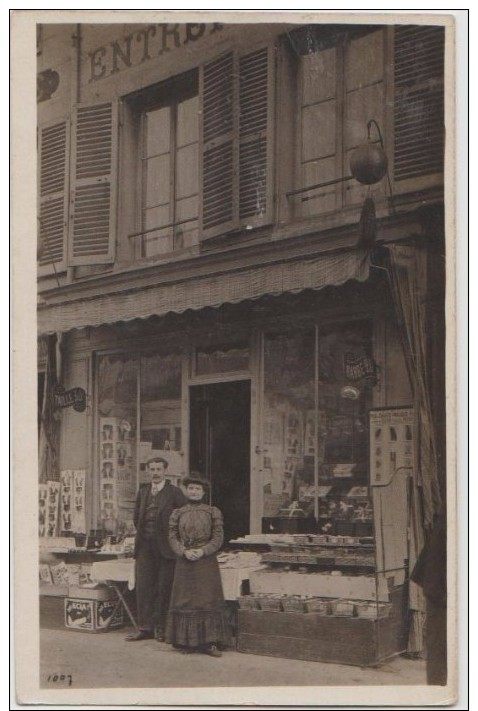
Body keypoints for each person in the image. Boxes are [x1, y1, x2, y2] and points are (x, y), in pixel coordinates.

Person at [166, 473, 231, 657]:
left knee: (207, 599)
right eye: (191, 488)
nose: (194, 491)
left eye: (197, 489)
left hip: (205, 561)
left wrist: (203, 551)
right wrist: (183, 551)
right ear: (186, 491)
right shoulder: (177, 513)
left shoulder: (213, 512)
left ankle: (210, 642)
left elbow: (218, 537)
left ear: (203, 492)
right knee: (185, 600)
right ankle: (187, 642)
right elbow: (172, 537)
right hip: (185, 561)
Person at [126, 457, 186, 642]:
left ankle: (161, 628)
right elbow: (137, 518)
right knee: (144, 587)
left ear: (165, 470)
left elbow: (183, 519)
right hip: (145, 546)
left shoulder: (175, 493)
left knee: (163, 588)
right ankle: (145, 628)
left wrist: (174, 540)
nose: (155, 472)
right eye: (152, 469)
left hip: (167, 548)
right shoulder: (143, 491)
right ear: (148, 471)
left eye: (159, 469)